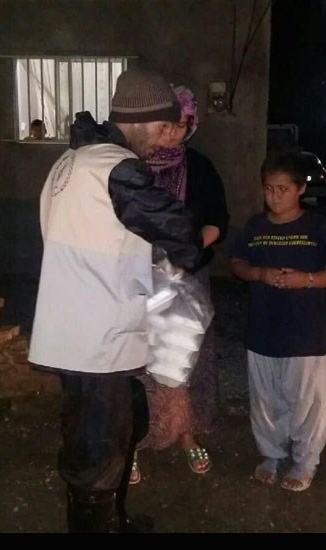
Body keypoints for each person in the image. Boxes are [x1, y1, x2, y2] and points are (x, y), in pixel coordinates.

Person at [28, 68, 204, 533]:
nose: (164, 140)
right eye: (164, 128)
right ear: (144, 120)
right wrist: (190, 244)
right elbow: (179, 232)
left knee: (119, 431)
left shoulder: (73, 161)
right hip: (95, 341)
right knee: (96, 454)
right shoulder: (117, 168)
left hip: (85, 331)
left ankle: (115, 522)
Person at [229, 151, 326, 492]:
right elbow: (236, 263)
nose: (275, 196)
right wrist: (259, 273)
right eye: (269, 188)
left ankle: (305, 462)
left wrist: (306, 280)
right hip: (263, 330)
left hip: (306, 334)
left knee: (308, 402)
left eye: (283, 189)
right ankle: (271, 455)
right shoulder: (255, 226)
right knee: (266, 400)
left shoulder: (318, 227)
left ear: (300, 189)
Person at [131, 85, 229, 484]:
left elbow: (217, 220)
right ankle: (133, 441)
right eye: (168, 123)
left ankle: (188, 434)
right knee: (139, 357)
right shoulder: (132, 166)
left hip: (187, 275)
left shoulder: (199, 167)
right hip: (139, 275)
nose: (173, 132)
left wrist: (185, 250)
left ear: (192, 125)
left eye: (182, 124)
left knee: (186, 354)